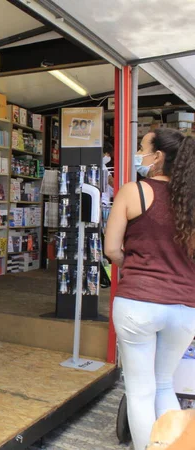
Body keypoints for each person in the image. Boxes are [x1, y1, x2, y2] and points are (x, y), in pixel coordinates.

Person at [104, 128, 195, 450]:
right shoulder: (191, 201)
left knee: (140, 390)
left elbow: (112, 248)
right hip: (185, 306)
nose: (138, 155)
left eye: (142, 148)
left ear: (158, 157)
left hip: (138, 302)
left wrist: (134, 264)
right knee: (164, 384)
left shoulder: (134, 191)